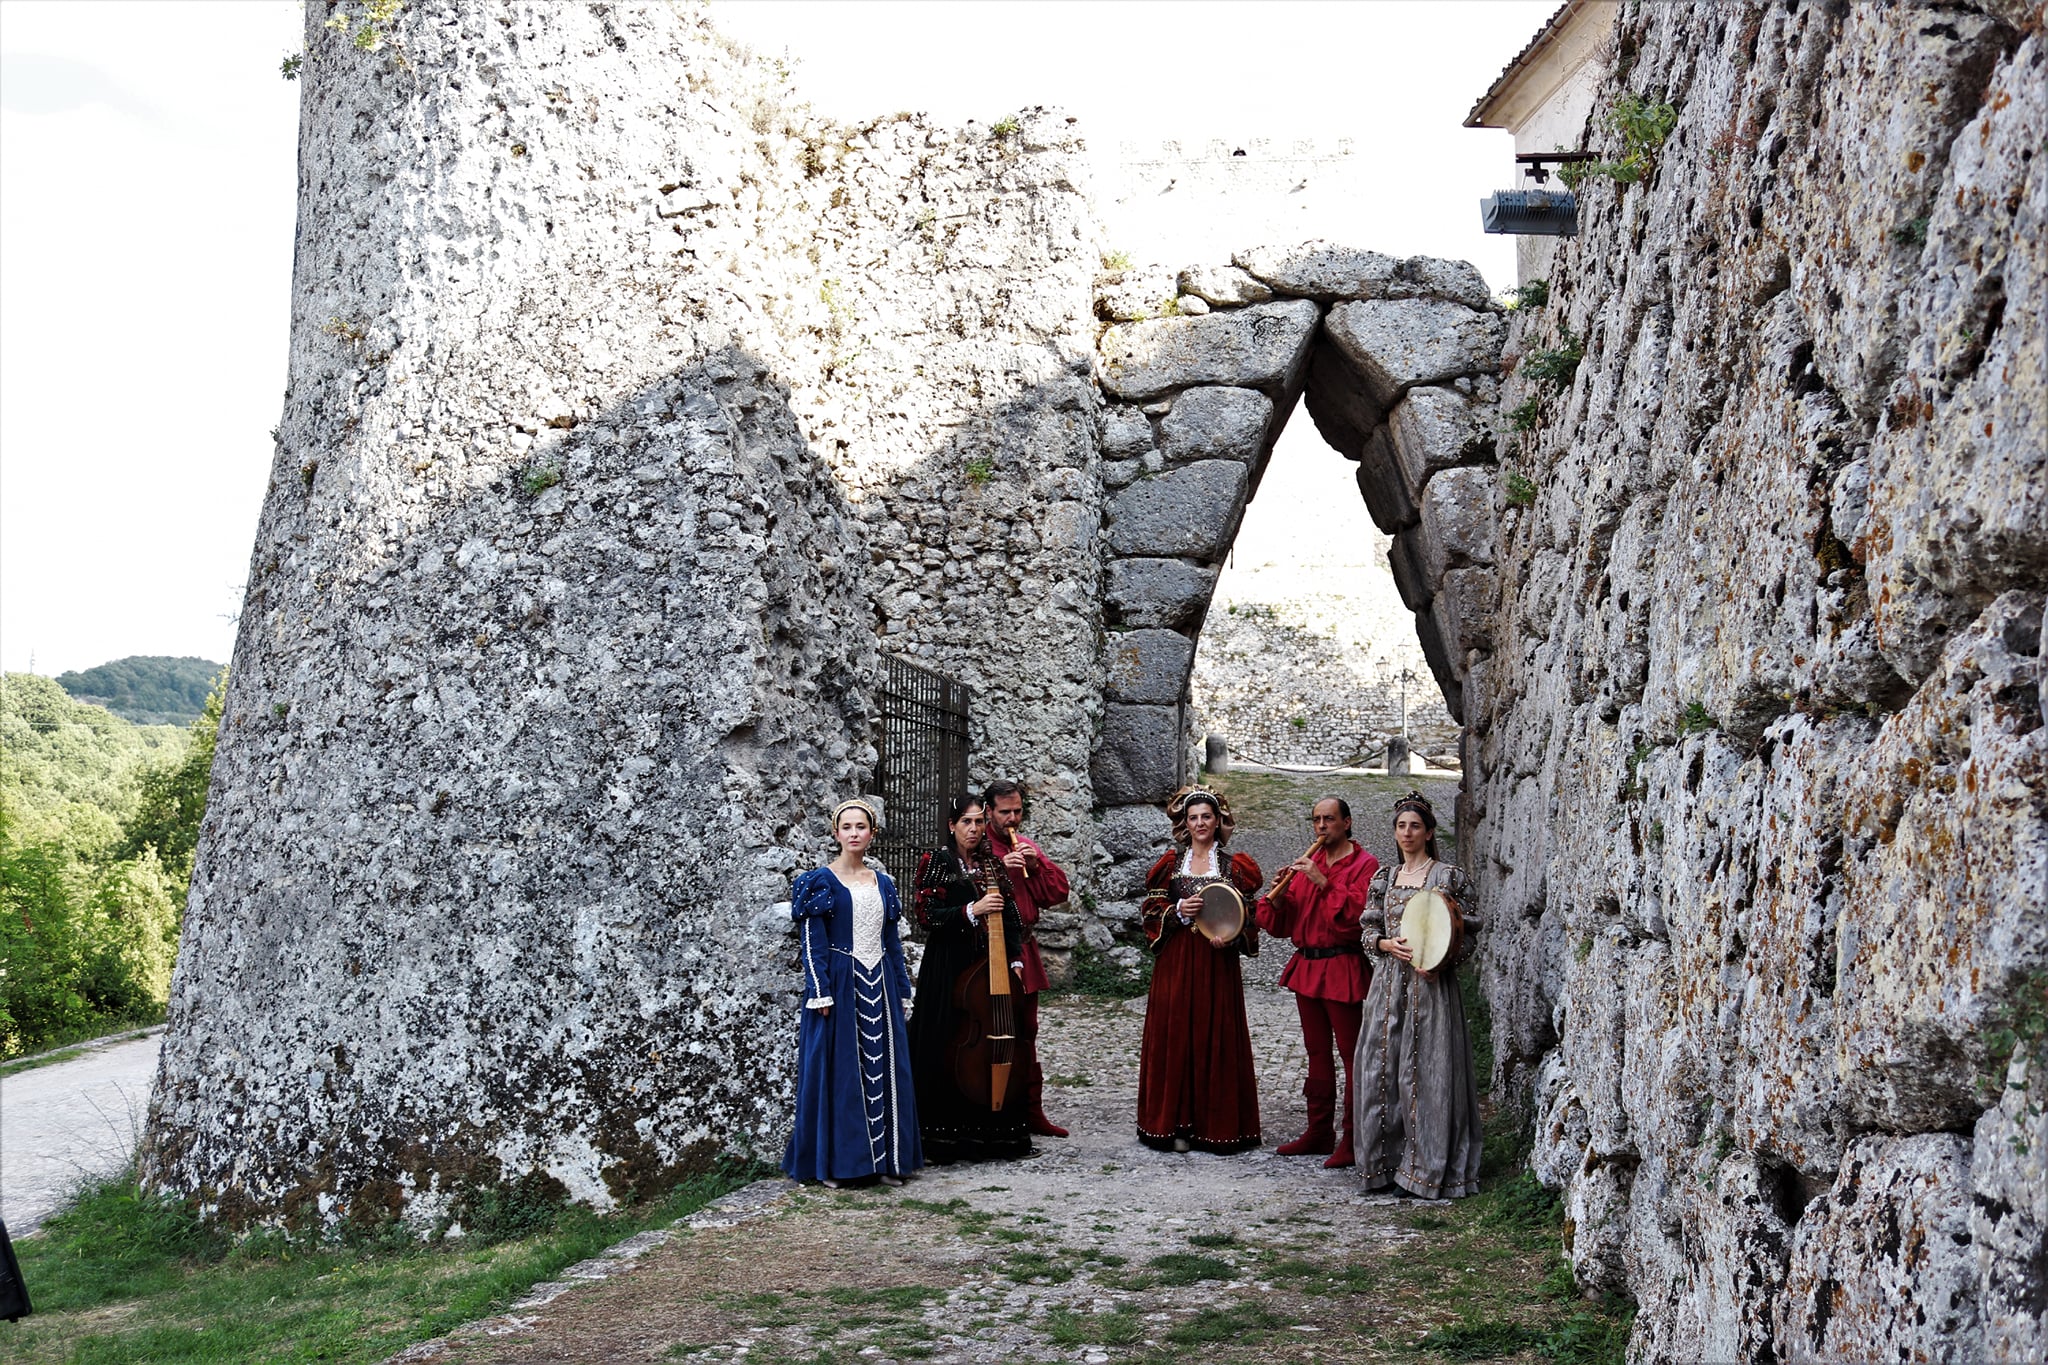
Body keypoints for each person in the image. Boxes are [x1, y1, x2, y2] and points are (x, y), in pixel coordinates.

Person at [783, 799, 922, 1188]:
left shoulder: (884, 884)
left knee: (887, 1071)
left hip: (878, 982)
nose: (855, 833)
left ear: (872, 834)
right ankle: (841, 1165)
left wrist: (901, 987)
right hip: (840, 986)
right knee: (843, 1075)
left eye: (862, 826)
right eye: (847, 827)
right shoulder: (819, 882)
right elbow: (813, 943)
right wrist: (820, 991)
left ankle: (885, 1162)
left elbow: (890, 941)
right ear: (836, 833)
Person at [1353, 791, 1484, 1199]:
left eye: (1415, 826)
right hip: (1388, 985)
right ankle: (1384, 1165)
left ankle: (1425, 1168)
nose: (1407, 833)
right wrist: (1384, 945)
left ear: (1428, 833)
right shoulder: (1384, 879)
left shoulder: (1447, 877)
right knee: (1381, 1069)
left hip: (1429, 987)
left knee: (1427, 1072)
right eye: (1401, 826)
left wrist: (1440, 962)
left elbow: (1469, 931)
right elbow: (1368, 929)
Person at [1135, 785, 1264, 1154]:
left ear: (1218, 820)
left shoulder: (1233, 867)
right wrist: (1177, 912)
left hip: (1215, 960)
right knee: (1174, 1035)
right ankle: (1172, 1125)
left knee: (1214, 1034)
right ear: (1185, 824)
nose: (1200, 823)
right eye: (1193, 818)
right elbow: (1149, 912)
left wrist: (1233, 934)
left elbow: (1249, 916)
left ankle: (1216, 1128)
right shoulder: (1171, 865)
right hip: (1176, 959)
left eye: (1206, 816)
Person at [1255, 796, 1378, 1168]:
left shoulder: (1365, 864)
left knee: (1352, 1055)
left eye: (1329, 819)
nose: (1322, 827)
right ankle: (1319, 1131)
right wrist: (1277, 901)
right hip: (1308, 968)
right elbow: (1287, 921)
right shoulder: (1311, 862)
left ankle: (1355, 1139)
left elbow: (1358, 917)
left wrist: (1321, 881)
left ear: (1347, 822)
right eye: (1316, 820)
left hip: (1342, 966)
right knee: (1316, 1053)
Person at [908, 796, 1032, 1162]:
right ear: (952, 825)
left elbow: (1011, 916)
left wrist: (1015, 960)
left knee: (992, 1035)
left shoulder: (992, 863)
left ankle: (991, 1132)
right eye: (966, 822)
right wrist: (971, 910)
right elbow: (927, 914)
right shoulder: (936, 861)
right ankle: (944, 1138)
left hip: (988, 963)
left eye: (979, 821)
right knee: (947, 1041)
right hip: (948, 965)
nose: (974, 829)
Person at [983, 779, 1072, 1139]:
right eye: (1005, 812)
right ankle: (991, 1111)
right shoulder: (978, 845)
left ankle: (1031, 1112)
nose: (1012, 819)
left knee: (1026, 1030)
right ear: (989, 811)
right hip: (991, 950)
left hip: (1025, 948)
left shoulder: (1028, 847)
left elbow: (1057, 893)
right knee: (991, 1031)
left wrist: (1034, 867)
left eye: (1017, 811)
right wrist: (1003, 867)